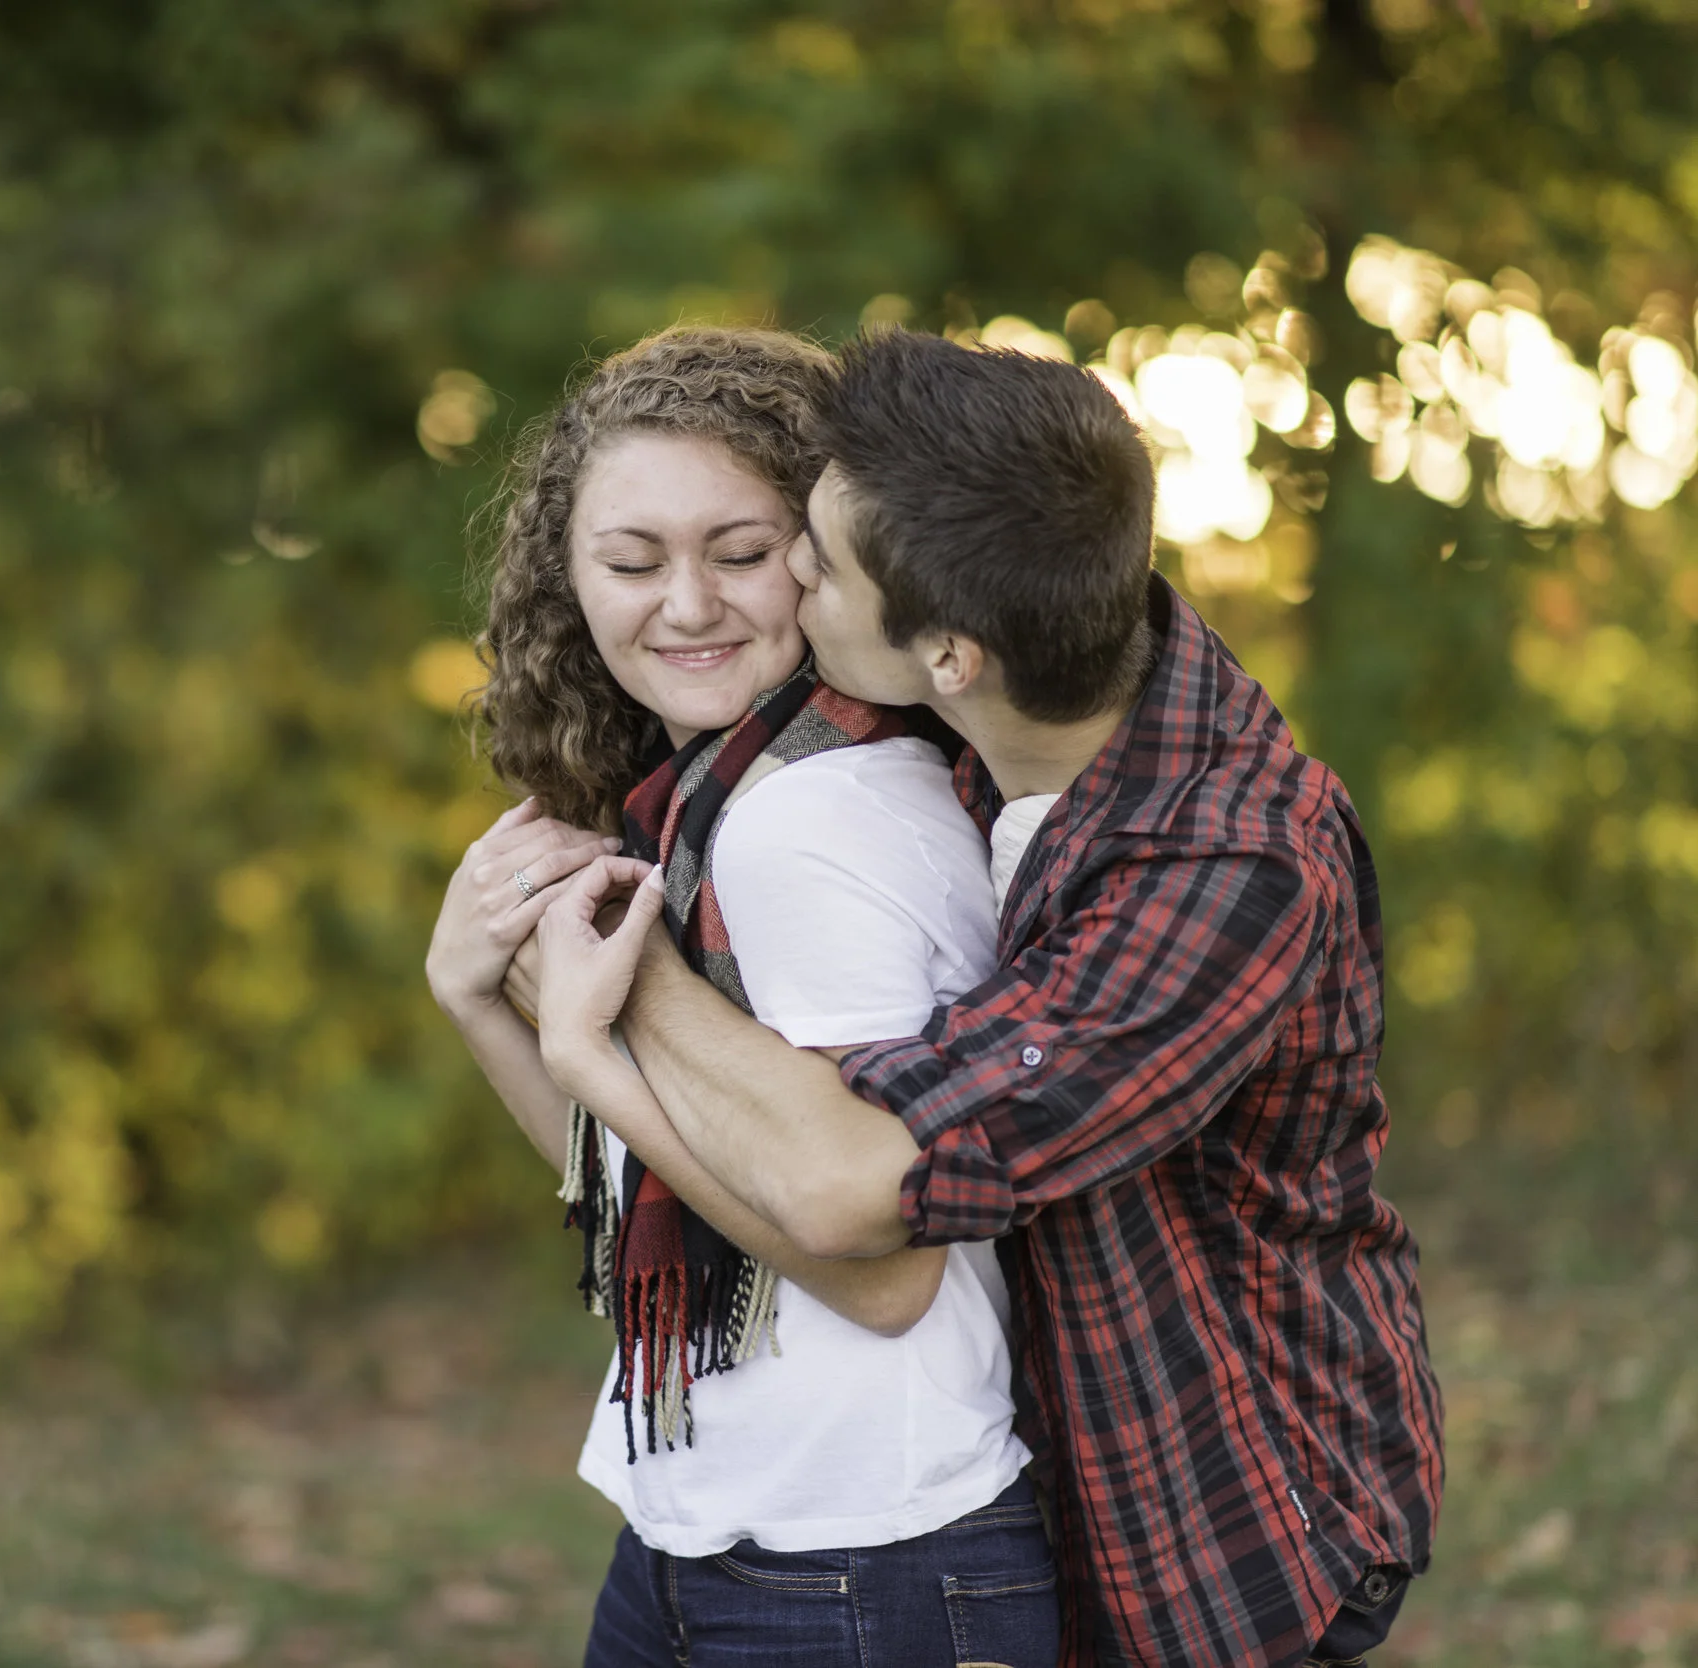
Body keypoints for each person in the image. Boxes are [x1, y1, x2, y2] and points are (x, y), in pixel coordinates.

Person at [527, 327, 1444, 1668]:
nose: (789, 577)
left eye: (813, 558)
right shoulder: (994, 722)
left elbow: (857, 1197)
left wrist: (629, 980)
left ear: (948, 652)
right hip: (1037, 1478)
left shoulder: (1226, 874)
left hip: (1236, 1508)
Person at [426, 325, 1058, 1668]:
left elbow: (883, 1278)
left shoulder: (805, 824)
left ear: (826, 557)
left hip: (864, 1557)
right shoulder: (704, 809)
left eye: (740, 551)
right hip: (710, 1525)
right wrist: (477, 998)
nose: (687, 606)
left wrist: (591, 1044)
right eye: (632, 562)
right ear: (566, 579)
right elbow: (647, 1181)